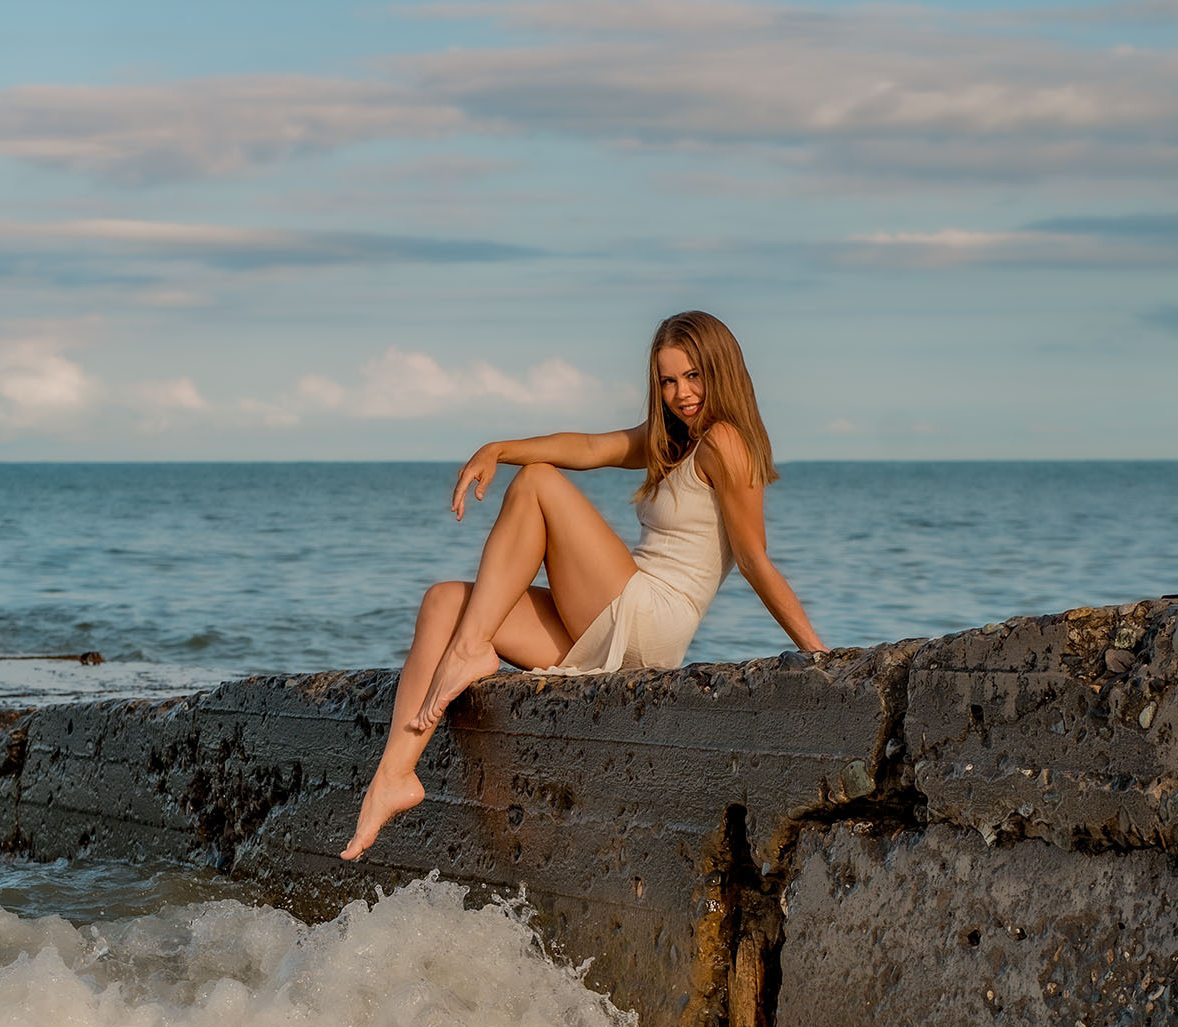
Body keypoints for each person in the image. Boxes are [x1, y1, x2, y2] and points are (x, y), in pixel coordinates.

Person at [341, 310, 826, 860]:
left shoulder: (725, 442)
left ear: (721, 370)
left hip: (651, 617)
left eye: (693, 376)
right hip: (616, 613)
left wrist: (817, 653)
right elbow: (589, 448)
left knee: (539, 484)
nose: (681, 393)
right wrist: (498, 446)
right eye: (668, 380)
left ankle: (473, 650)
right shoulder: (676, 440)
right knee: (444, 602)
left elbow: (755, 559)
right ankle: (395, 776)